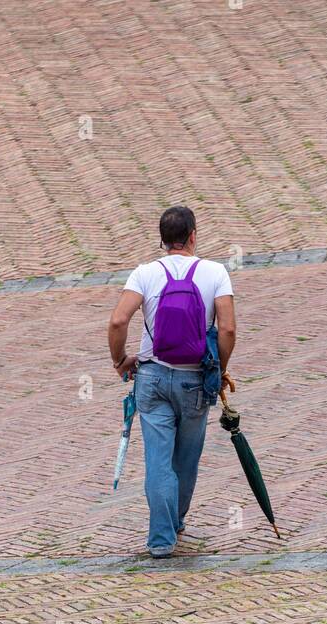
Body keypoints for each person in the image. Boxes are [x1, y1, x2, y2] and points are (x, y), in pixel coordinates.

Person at [107, 206, 236, 556]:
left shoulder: (145, 273)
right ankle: (176, 521)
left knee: (158, 461)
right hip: (195, 379)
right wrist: (219, 369)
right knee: (186, 459)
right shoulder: (215, 272)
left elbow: (119, 321)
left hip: (151, 378)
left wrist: (120, 361)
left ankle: (161, 540)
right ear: (193, 235)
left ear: (162, 240)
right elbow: (227, 328)